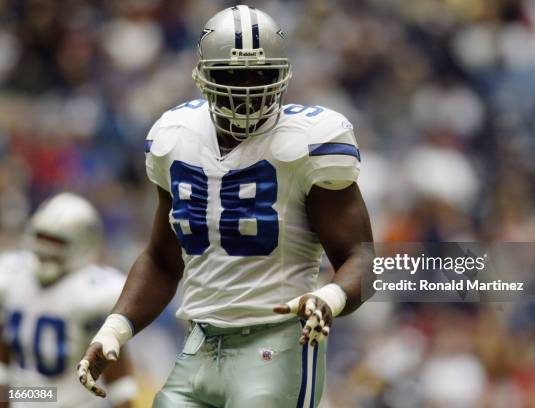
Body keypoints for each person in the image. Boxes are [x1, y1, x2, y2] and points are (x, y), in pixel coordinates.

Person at [77, 5, 373, 407]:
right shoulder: (175, 136)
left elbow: (362, 258)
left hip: (278, 343)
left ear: (282, 75)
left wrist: (329, 298)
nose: (247, 89)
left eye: (261, 74)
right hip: (199, 345)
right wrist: (113, 330)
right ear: (203, 75)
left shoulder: (310, 142)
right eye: (232, 75)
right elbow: (163, 260)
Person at [0, 192, 136, 408]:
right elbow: (4, 356)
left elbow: (116, 372)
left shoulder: (95, 292)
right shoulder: (13, 276)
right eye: (42, 237)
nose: (45, 248)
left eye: (56, 242)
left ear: (83, 244)